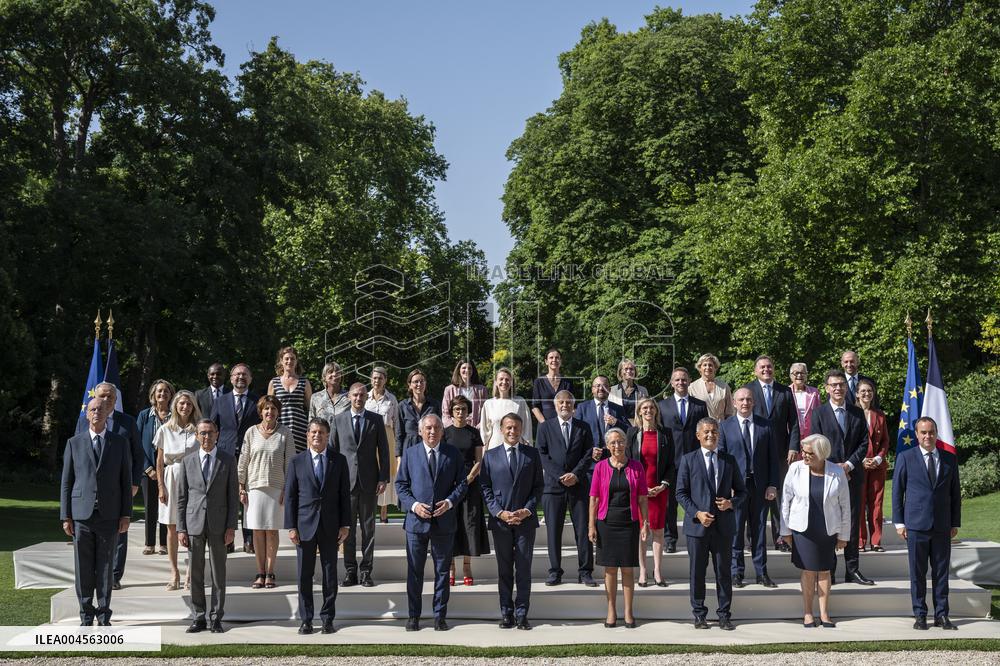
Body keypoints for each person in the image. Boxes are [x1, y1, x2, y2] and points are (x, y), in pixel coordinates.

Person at [60, 398, 132, 625]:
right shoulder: (74, 443)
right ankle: (85, 613)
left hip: (109, 515)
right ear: (87, 414)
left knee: (105, 567)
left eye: (101, 409)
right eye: (92, 409)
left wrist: (126, 514)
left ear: (107, 413)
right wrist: (66, 516)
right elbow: (66, 482)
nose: (97, 413)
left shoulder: (119, 443)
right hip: (81, 515)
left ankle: (103, 613)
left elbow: (125, 480)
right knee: (83, 567)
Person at [395, 413, 468, 631]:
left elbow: (462, 484)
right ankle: (414, 616)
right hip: (416, 524)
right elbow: (401, 485)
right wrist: (415, 505)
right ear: (420, 431)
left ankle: (439, 616)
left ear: (442, 431)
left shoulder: (452, 453)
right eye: (428, 428)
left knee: (442, 572)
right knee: (415, 572)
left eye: (436, 428)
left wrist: (449, 502)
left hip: (444, 522)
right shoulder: (409, 454)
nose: (432, 431)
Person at [675, 417, 746, 631]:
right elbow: (680, 492)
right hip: (697, 527)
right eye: (706, 432)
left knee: (723, 573)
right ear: (698, 435)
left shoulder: (729, 460)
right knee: (697, 573)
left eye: (714, 431)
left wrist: (730, 503)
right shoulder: (688, 460)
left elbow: (742, 492)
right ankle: (699, 614)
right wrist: (697, 513)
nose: (710, 435)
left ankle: (724, 615)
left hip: (723, 527)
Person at [893, 417, 961, 631]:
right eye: (923, 432)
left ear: (936, 433)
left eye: (931, 432)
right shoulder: (906, 457)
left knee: (941, 573)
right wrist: (899, 523)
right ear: (916, 434)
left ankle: (942, 615)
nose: (927, 436)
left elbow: (955, 494)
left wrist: (955, 522)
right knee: (918, 573)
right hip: (915, 525)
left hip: (942, 525)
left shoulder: (949, 459)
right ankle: (920, 614)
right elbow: (897, 492)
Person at [284, 419, 351, 635]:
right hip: (304, 526)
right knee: (304, 575)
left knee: (330, 575)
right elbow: (291, 496)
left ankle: (328, 619)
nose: (317, 436)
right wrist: (291, 526)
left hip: (331, 526)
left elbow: (344, 496)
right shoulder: (296, 462)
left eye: (321, 432)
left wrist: (345, 524)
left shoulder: (339, 461)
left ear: (327, 435)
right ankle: (306, 620)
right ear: (307, 435)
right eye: (313, 432)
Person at [74, 381, 142, 590]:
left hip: (119, 486)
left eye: (109, 397)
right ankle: (94, 574)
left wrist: (134, 482)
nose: (105, 401)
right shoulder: (84, 421)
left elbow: (138, 454)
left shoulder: (127, 422)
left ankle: (114, 575)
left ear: (115, 400)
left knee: (119, 531)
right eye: (101, 396)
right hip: (89, 491)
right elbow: (77, 455)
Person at [808, 369, 873, 585]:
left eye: (841, 384)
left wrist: (848, 464)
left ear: (847, 387)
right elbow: (815, 443)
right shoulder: (818, 414)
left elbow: (865, 442)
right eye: (834, 385)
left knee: (852, 521)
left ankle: (852, 569)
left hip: (853, 475)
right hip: (827, 477)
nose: (838, 388)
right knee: (830, 522)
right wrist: (833, 466)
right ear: (826, 388)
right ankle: (830, 570)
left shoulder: (856, 413)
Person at [780, 434, 852, 628]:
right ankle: (807, 613)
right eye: (803, 451)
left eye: (809, 452)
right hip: (802, 529)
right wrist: (785, 530)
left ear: (821, 454)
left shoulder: (837, 472)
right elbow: (785, 500)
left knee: (825, 571)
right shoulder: (795, 469)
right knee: (809, 571)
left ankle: (824, 613)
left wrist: (844, 535)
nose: (804, 455)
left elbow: (846, 506)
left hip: (827, 529)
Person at [480, 412, 544, 630]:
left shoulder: (532, 454)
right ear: (501, 429)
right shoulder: (490, 456)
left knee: (524, 569)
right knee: (505, 569)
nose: (512, 431)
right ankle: (506, 613)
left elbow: (538, 486)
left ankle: (522, 613)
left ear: (521, 429)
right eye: (508, 427)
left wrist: (527, 510)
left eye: (516, 428)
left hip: (525, 522)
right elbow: (485, 488)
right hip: (501, 522)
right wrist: (499, 512)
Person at [176, 419, 238, 634]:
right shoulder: (188, 461)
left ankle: (217, 617)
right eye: (202, 433)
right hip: (193, 524)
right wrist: (181, 528)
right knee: (196, 573)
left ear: (217, 434)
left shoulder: (228, 460)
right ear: (196, 436)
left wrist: (232, 526)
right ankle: (199, 616)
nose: (206, 437)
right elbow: (182, 497)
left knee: (219, 572)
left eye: (210, 433)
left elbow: (232, 496)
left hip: (219, 524)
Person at [719, 387, 779, 588]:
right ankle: (737, 573)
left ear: (754, 402)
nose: (745, 403)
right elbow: (722, 460)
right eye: (741, 400)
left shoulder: (766, 426)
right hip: (736, 489)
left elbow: (773, 459)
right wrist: (728, 487)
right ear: (734, 403)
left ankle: (762, 573)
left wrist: (772, 484)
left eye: (749, 399)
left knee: (759, 530)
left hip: (760, 487)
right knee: (735, 531)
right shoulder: (725, 427)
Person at [331, 382, 390, 587]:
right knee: (347, 530)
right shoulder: (338, 420)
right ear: (349, 396)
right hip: (345, 484)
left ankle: (366, 571)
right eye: (355, 395)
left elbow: (383, 450)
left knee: (368, 530)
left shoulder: (376, 420)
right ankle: (350, 571)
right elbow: (332, 452)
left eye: (362, 395)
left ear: (367, 397)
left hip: (369, 482)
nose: (358, 398)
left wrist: (383, 478)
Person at [589, 428, 648, 628]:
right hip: (606, 523)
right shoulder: (600, 468)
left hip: (629, 522)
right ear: (607, 446)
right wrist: (591, 525)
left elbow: (642, 498)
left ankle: (629, 612)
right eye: (613, 442)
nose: (617, 446)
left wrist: (644, 523)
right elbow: (594, 498)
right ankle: (611, 610)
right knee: (610, 570)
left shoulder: (637, 467)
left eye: (621, 441)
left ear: (626, 443)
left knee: (628, 570)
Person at [536, 390, 596, 587]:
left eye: (568, 402)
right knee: (554, 531)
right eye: (561, 402)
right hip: (553, 487)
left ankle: (585, 571)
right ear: (555, 405)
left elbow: (588, 453)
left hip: (578, 486)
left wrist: (576, 475)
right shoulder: (545, 427)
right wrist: (560, 476)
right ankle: (555, 571)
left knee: (582, 531)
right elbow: (542, 454)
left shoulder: (583, 427)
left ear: (573, 405)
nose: (564, 405)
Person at [743, 355, 800, 552]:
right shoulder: (747, 390)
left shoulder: (785, 391)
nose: (766, 370)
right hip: (755, 452)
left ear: (773, 369)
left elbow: (793, 422)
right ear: (755, 370)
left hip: (780, 452)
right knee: (754, 496)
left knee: (780, 497)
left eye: (769, 366)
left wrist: (793, 446)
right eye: (762, 367)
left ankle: (781, 538)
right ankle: (753, 540)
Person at [238, 395, 295, 590]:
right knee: (257, 531)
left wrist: (287, 488)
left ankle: (270, 572)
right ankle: (259, 573)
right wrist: (240, 485)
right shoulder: (250, 432)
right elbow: (243, 460)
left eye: (273, 408)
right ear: (260, 411)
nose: (269, 412)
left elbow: (290, 463)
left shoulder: (285, 433)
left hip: (277, 488)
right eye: (266, 409)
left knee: (271, 532)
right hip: (254, 487)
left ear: (278, 411)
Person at [211, 363, 261, 553]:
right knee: (226, 498)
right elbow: (213, 427)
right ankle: (227, 539)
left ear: (250, 378)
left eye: (245, 375)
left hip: (250, 455)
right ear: (231, 378)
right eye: (237, 374)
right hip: (225, 456)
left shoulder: (258, 401)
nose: (241, 377)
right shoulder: (220, 401)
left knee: (247, 499)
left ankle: (249, 540)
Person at [658, 367, 709, 553]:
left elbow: (705, 432)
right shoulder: (663, 406)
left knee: (695, 499)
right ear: (671, 383)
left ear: (689, 381)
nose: (681, 382)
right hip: (671, 461)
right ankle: (670, 538)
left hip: (694, 461)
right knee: (670, 502)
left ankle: (696, 534)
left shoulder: (700, 405)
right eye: (677, 380)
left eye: (684, 379)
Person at [155, 390, 201, 591]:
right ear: (175, 405)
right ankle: (174, 572)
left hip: (193, 476)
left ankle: (190, 572)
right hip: (171, 477)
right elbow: (159, 462)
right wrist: (160, 487)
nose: (185, 407)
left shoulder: (198, 429)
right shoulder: (165, 429)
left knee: (193, 525)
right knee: (172, 526)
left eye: (189, 404)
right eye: (182, 403)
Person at [443, 395, 490, 585]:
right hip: (450, 486)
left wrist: (469, 478)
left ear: (468, 411)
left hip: (470, 483)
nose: (460, 412)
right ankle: (451, 568)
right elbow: (443, 461)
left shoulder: (474, 433)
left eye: (463, 409)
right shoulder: (445, 433)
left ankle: (467, 566)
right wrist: (454, 482)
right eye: (457, 409)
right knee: (451, 524)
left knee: (469, 523)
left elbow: (479, 461)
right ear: (452, 412)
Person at [628, 398, 673, 587]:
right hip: (639, 491)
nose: (648, 410)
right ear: (639, 412)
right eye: (644, 408)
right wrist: (641, 488)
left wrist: (663, 485)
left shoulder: (665, 434)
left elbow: (671, 463)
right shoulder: (632, 433)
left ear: (656, 411)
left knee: (658, 532)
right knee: (641, 532)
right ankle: (643, 572)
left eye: (651, 407)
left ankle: (657, 571)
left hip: (659, 490)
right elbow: (628, 462)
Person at [137, 379, 174, 555]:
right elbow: (137, 443)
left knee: (166, 505)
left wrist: (167, 468)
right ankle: (149, 543)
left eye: (166, 391)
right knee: (150, 506)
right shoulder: (145, 415)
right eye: (159, 391)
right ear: (153, 395)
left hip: (169, 469)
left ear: (170, 395)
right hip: (148, 470)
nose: (162, 394)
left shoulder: (175, 416)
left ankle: (164, 544)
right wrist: (148, 468)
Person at [857, 379, 890, 552]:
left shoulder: (880, 415)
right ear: (857, 393)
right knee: (860, 503)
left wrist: (878, 458)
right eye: (863, 391)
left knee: (876, 504)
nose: (866, 394)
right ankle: (861, 541)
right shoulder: (852, 414)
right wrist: (861, 459)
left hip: (877, 466)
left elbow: (885, 441)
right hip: (859, 465)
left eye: (869, 390)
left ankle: (876, 541)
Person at [367, 366, 400, 523]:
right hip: (369, 438)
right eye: (374, 378)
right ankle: (370, 510)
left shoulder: (391, 399)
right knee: (370, 471)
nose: (377, 381)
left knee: (385, 471)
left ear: (385, 380)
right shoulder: (365, 398)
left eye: (380, 378)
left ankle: (384, 511)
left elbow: (396, 423)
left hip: (387, 437)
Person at [269, 346, 312, 453]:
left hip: (300, 428)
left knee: (298, 461)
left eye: (292, 358)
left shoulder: (304, 382)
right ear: (281, 361)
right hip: (280, 426)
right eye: (286, 358)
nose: (289, 361)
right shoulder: (274, 382)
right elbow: (268, 408)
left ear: (296, 361)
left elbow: (311, 408)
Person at [480, 367, 533, 449]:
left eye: (507, 379)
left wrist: (528, 447)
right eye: (501, 379)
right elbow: (485, 432)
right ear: (496, 382)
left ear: (512, 383)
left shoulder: (520, 402)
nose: (504, 382)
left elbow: (526, 429)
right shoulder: (488, 404)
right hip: (494, 448)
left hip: (516, 448)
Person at [575, 375, 629, 450]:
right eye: (597, 386)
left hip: (613, 455)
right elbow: (575, 433)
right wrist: (590, 451)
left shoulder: (618, 408)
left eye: (605, 386)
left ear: (609, 390)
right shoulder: (582, 408)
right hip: (590, 456)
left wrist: (616, 423)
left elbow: (629, 431)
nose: (601, 388)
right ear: (592, 389)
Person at [397, 368, 442, 457]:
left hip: (430, 448)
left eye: (422, 381)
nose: (419, 384)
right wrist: (399, 457)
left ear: (425, 384)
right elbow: (399, 434)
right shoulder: (403, 406)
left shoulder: (434, 404)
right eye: (415, 382)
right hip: (409, 449)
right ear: (409, 385)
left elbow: (440, 429)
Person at [531, 347, 574, 423]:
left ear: (560, 361)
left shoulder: (567, 382)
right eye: (551, 357)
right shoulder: (539, 382)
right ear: (546, 361)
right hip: (544, 423)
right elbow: (535, 407)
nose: (554, 360)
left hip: (564, 423)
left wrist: (567, 422)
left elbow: (573, 406)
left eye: (557, 358)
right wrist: (545, 424)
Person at [442, 359, 489, 428]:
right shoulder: (449, 390)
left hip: (475, 430)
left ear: (473, 371)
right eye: (464, 368)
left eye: (469, 368)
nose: (467, 370)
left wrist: (478, 428)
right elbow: (445, 414)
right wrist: (453, 428)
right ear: (459, 370)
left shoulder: (481, 390)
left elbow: (485, 413)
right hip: (455, 430)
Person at [689, 354, 735, 421]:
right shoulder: (692, 387)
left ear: (715, 368)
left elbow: (730, 411)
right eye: (704, 365)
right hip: (701, 428)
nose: (707, 367)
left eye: (710, 365)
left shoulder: (724, 386)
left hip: (720, 427)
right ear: (700, 368)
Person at [309, 361, 351, 428]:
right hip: (322, 437)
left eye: (337, 372)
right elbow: (311, 422)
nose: (334, 374)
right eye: (330, 372)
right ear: (324, 377)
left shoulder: (349, 397)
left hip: (343, 437)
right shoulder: (316, 398)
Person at [789, 363, 821, 439]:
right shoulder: (786, 392)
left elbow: (819, 414)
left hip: (811, 434)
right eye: (796, 373)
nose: (799, 375)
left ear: (806, 375)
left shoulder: (814, 392)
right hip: (791, 434)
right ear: (791, 376)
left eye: (802, 373)